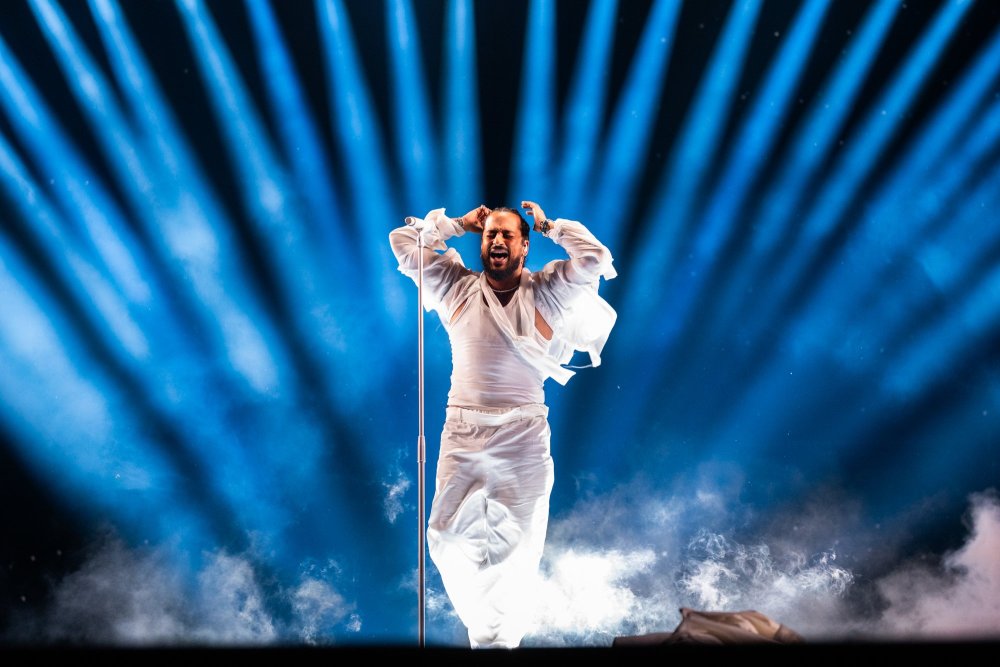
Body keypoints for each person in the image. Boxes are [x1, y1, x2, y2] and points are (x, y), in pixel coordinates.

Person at [389, 200, 617, 648]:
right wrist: (456, 225)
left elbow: (594, 260)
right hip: (463, 431)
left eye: (506, 234)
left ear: (524, 245)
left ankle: (496, 642)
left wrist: (552, 226)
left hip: (523, 436)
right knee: (445, 538)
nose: (495, 241)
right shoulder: (455, 286)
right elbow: (404, 246)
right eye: (489, 234)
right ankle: (486, 630)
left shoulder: (549, 289)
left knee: (516, 551)